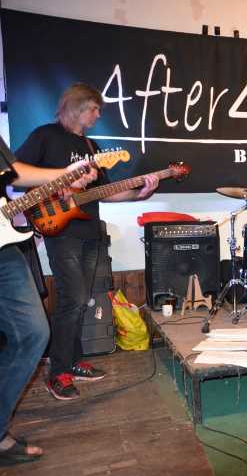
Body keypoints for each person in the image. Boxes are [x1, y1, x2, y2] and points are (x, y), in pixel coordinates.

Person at [14, 83, 160, 400]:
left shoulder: (91, 147)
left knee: (82, 301)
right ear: (76, 107)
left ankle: (74, 361)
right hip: (61, 231)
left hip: (91, 231)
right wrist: (60, 184)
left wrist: (141, 192)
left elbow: (107, 192)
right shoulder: (45, 136)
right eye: (94, 109)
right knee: (74, 299)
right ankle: (58, 373)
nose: (98, 115)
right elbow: (15, 176)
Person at [0, 137, 97, 464]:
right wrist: (65, 173)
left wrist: (65, 176)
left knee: (33, 333)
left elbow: (12, 172)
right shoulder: (46, 133)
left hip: (4, 248)